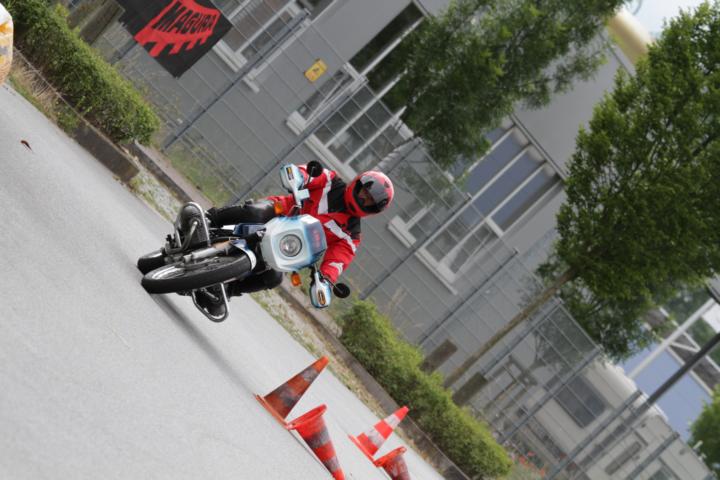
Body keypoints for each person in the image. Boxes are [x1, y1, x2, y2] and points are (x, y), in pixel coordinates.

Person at [194, 162, 394, 317]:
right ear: (358, 184)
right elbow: (309, 174)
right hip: (280, 212)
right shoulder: (331, 181)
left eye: (370, 201)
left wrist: (325, 281)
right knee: (255, 212)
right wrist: (298, 176)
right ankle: (209, 218)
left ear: (374, 210)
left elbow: (337, 261)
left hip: (288, 246)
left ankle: (227, 290)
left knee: (273, 277)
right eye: (365, 192)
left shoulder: (351, 235)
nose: (364, 199)